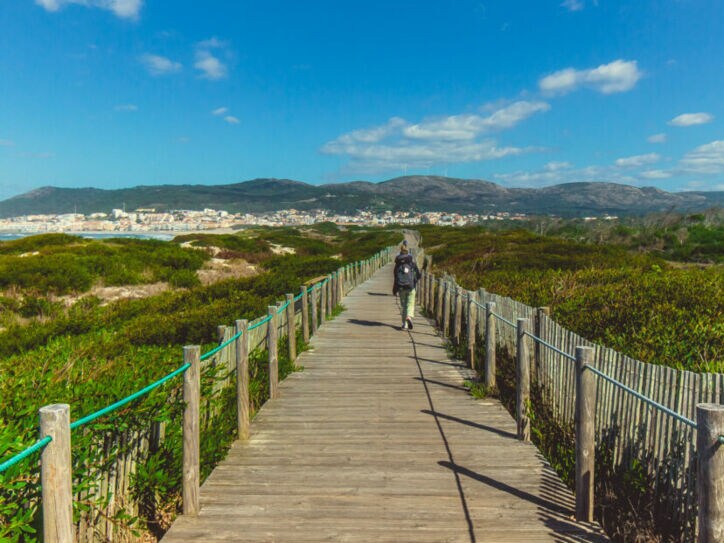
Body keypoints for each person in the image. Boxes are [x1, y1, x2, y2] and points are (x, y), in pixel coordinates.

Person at [392, 244, 421, 330]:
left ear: (400, 252)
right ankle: (409, 317)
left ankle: (404, 324)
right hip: (411, 286)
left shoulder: (397, 264)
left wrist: (394, 289)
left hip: (401, 287)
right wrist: (415, 280)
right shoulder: (411, 262)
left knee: (403, 305)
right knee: (410, 303)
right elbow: (418, 274)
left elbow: (395, 277)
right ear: (408, 252)